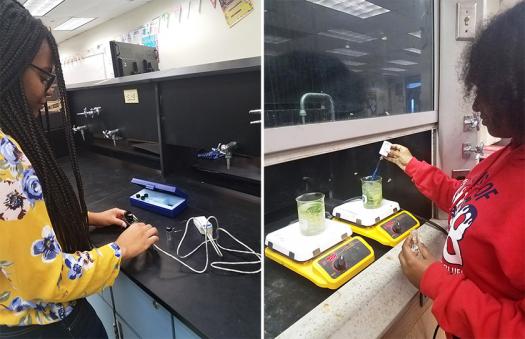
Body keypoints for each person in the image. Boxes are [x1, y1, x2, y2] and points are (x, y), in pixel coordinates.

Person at [0, 1, 159, 337]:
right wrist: (120, 250)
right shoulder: (2, 154)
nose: (49, 90)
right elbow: (48, 278)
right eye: (45, 76)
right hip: (45, 324)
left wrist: (84, 217)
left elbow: (12, 228)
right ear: (10, 65)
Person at [385, 3, 524, 338]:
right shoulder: (509, 154)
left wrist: (435, 280)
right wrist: (412, 165)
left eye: (486, 93)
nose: (476, 106)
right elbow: (470, 203)